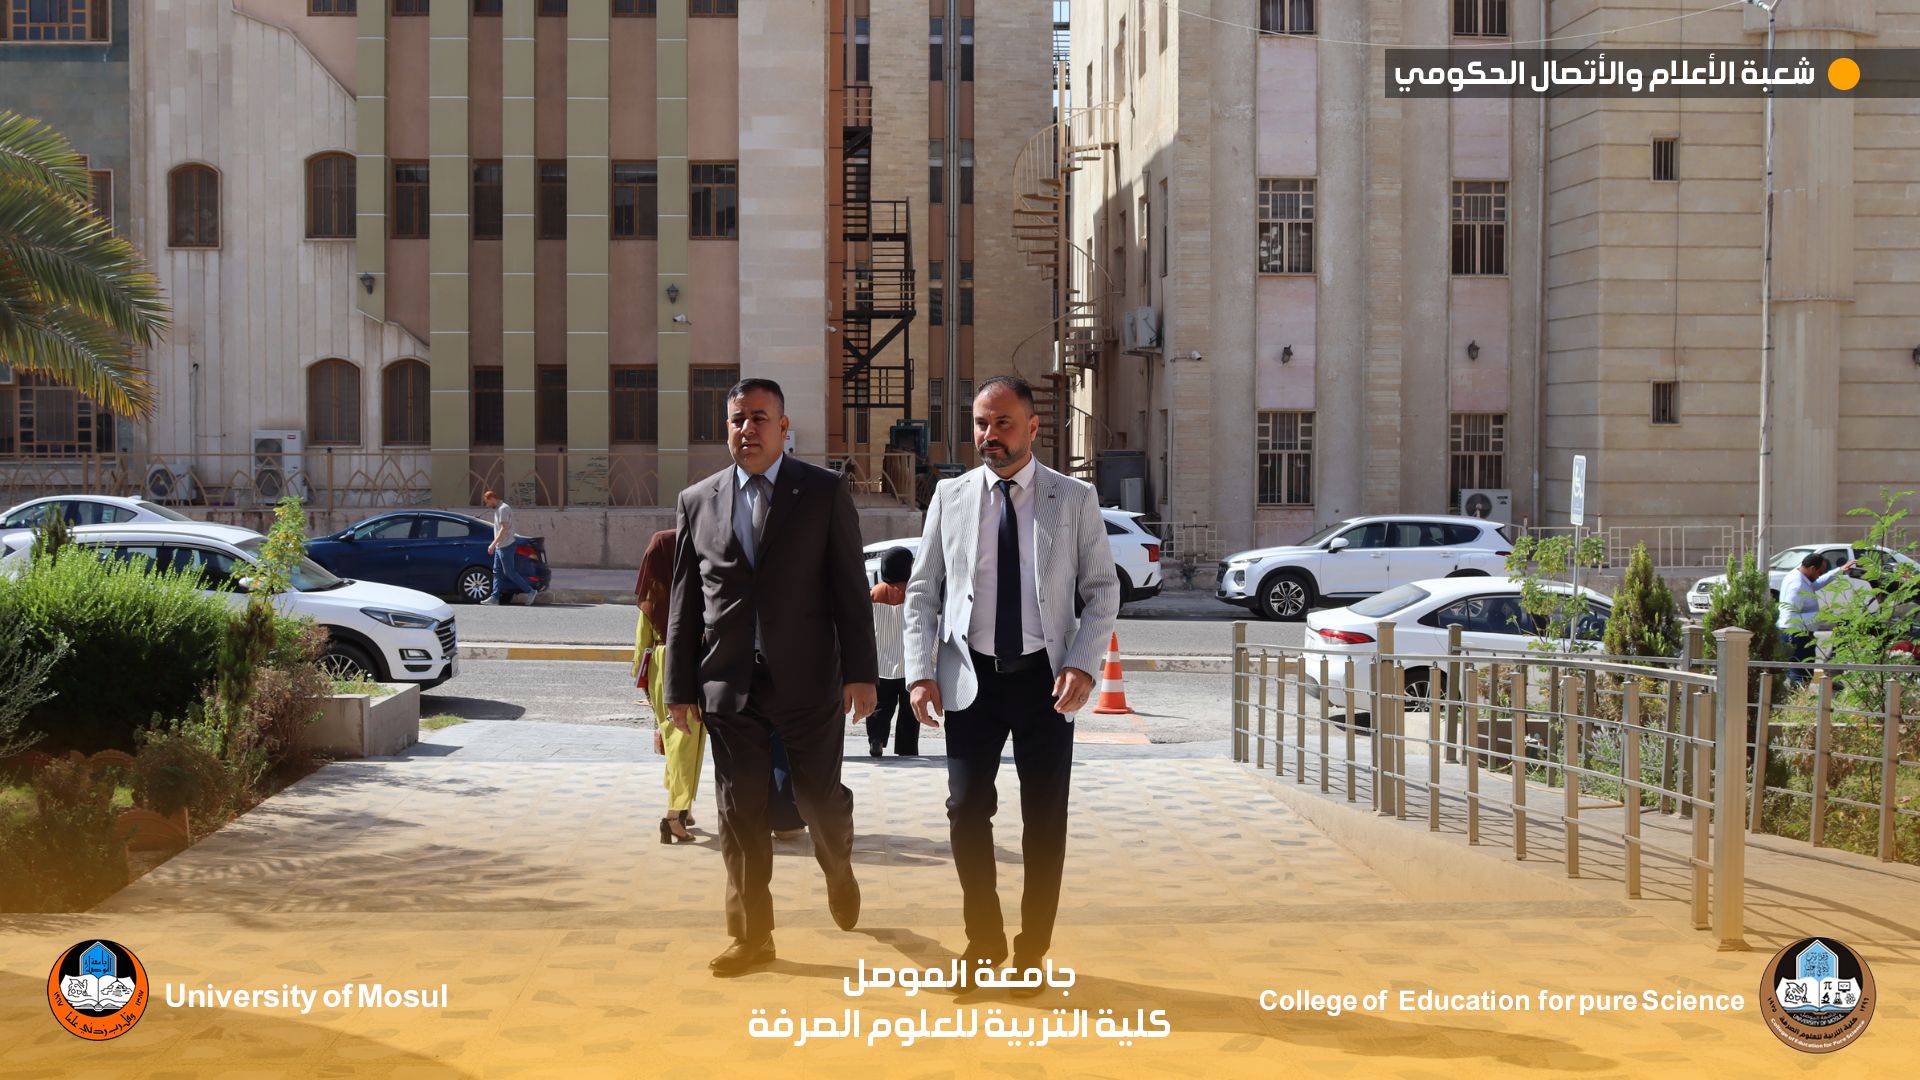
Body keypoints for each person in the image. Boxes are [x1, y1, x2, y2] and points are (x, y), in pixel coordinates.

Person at [903, 376, 1120, 997]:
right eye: (980, 423)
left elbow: (1102, 589)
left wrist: (1083, 664)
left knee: (1043, 820)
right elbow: (923, 591)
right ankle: (984, 941)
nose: (989, 435)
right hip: (971, 681)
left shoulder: (1072, 498)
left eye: (1002, 423)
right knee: (965, 810)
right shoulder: (950, 496)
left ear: (1031, 427)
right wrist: (919, 673)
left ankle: (1031, 951)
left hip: (1045, 684)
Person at [665, 378, 878, 978]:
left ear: (784, 427)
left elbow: (849, 589)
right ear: (726, 428)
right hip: (730, 683)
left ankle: (838, 865)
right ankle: (752, 937)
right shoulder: (697, 501)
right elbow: (685, 603)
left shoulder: (823, 491)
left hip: (808, 680)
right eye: (737, 419)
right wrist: (678, 689)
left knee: (816, 799)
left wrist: (862, 674)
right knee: (740, 813)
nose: (747, 429)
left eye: (759, 418)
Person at [634, 528, 705, 844]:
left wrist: (645, 681)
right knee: (686, 741)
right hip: (688, 664)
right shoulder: (696, 590)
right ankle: (673, 816)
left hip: (661, 666)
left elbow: (642, 642)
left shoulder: (654, 599)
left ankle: (684, 806)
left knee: (678, 739)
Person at [865, 546, 919, 758]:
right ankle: (907, 749)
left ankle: (876, 739)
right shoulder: (913, 594)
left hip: (881, 664)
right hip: (909, 664)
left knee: (880, 705)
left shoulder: (874, 593)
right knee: (909, 710)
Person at [1780, 551, 1854, 684]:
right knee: (1800, 673)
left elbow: (1817, 583)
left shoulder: (1801, 576)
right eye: (1820, 572)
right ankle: (1797, 695)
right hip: (1796, 634)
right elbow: (1790, 617)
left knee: (1805, 672)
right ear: (1812, 568)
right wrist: (1822, 613)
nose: (1820, 575)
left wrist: (1839, 571)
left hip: (1800, 633)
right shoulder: (1797, 585)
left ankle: (1798, 694)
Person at [482, 490, 535, 605]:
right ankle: (495, 597)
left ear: (492, 499)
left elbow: (504, 529)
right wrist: (496, 545)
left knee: (509, 572)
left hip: (506, 545)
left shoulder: (503, 509)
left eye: (487, 502)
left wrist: (493, 544)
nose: (487, 505)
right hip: (500, 546)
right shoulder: (499, 509)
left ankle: (530, 591)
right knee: (497, 572)